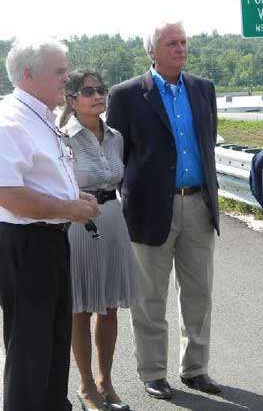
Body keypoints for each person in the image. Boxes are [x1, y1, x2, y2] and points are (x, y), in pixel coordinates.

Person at [106, 20, 221, 400]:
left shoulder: (203, 90)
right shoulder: (125, 96)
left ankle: (195, 369)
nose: (181, 48)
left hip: (198, 205)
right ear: (151, 51)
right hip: (148, 209)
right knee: (149, 297)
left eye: (184, 42)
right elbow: (115, 156)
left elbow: (207, 147)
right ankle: (153, 372)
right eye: (172, 43)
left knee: (199, 294)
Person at [0, 38, 100, 411]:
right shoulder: (10, 121)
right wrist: (68, 208)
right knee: (30, 347)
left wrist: (77, 200)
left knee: (55, 341)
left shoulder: (40, 116)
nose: (67, 79)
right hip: (27, 242)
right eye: (59, 71)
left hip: (50, 238)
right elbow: (8, 196)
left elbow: (44, 177)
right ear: (28, 74)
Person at [58, 70, 138, 411]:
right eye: (88, 90)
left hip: (114, 219)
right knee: (80, 308)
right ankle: (86, 385)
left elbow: (119, 180)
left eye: (101, 89)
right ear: (72, 99)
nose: (97, 95)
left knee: (108, 307)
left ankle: (106, 380)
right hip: (79, 224)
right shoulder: (62, 137)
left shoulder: (115, 136)